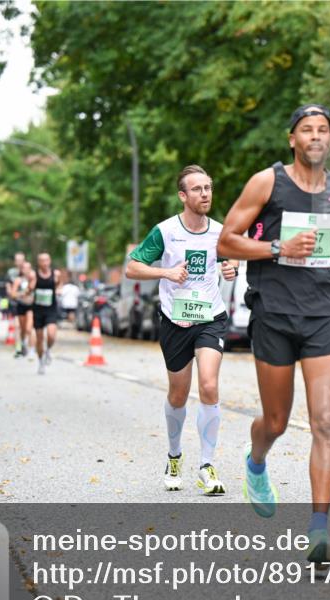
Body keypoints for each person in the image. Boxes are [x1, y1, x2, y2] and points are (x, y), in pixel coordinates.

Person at [217, 104, 330, 563]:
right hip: (275, 314)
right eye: (307, 130)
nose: (316, 136)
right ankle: (255, 460)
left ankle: (319, 532)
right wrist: (277, 246)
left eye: (323, 130)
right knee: (277, 422)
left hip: (323, 314)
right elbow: (226, 240)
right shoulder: (267, 183)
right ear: (292, 139)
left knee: (325, 423)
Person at [126, 165, 238, 496]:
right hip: (175, 321)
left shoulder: (221, 231)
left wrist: (230, 268)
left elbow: (230, 261)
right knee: (178, 394)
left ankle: (206, 465)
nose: (205, 194)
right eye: (198, 189)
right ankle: (174, 456)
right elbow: (132, 267)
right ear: (183, 195)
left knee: (208, 384)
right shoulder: (164, 231)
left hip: (210, 318)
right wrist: (166, 273)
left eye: (209, 187)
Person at [26, 252, 61, 375]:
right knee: (39, 338)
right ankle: (41, 361)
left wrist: (59, 291)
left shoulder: (56, 274)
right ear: (38, 262)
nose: (45, 263)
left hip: (51, 309)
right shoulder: (33, 274)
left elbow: (58, 286)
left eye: (47, 260)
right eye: (42, 261)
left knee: (51, 334)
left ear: (50, 261)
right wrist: (30, 287)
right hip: (38, 310)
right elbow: (28, 290)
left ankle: (48, 350)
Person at [8, 260, 36, 358]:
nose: (27, 270)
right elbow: (13, 294)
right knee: (22, 329)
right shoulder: (18, 280)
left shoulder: (34, 279)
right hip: (21, 306)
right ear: (21, 269)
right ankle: (23, 344)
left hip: (32, 306)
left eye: (29, 268)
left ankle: (32, 350)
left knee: (30, 328)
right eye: (24, 268)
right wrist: (22, 294)